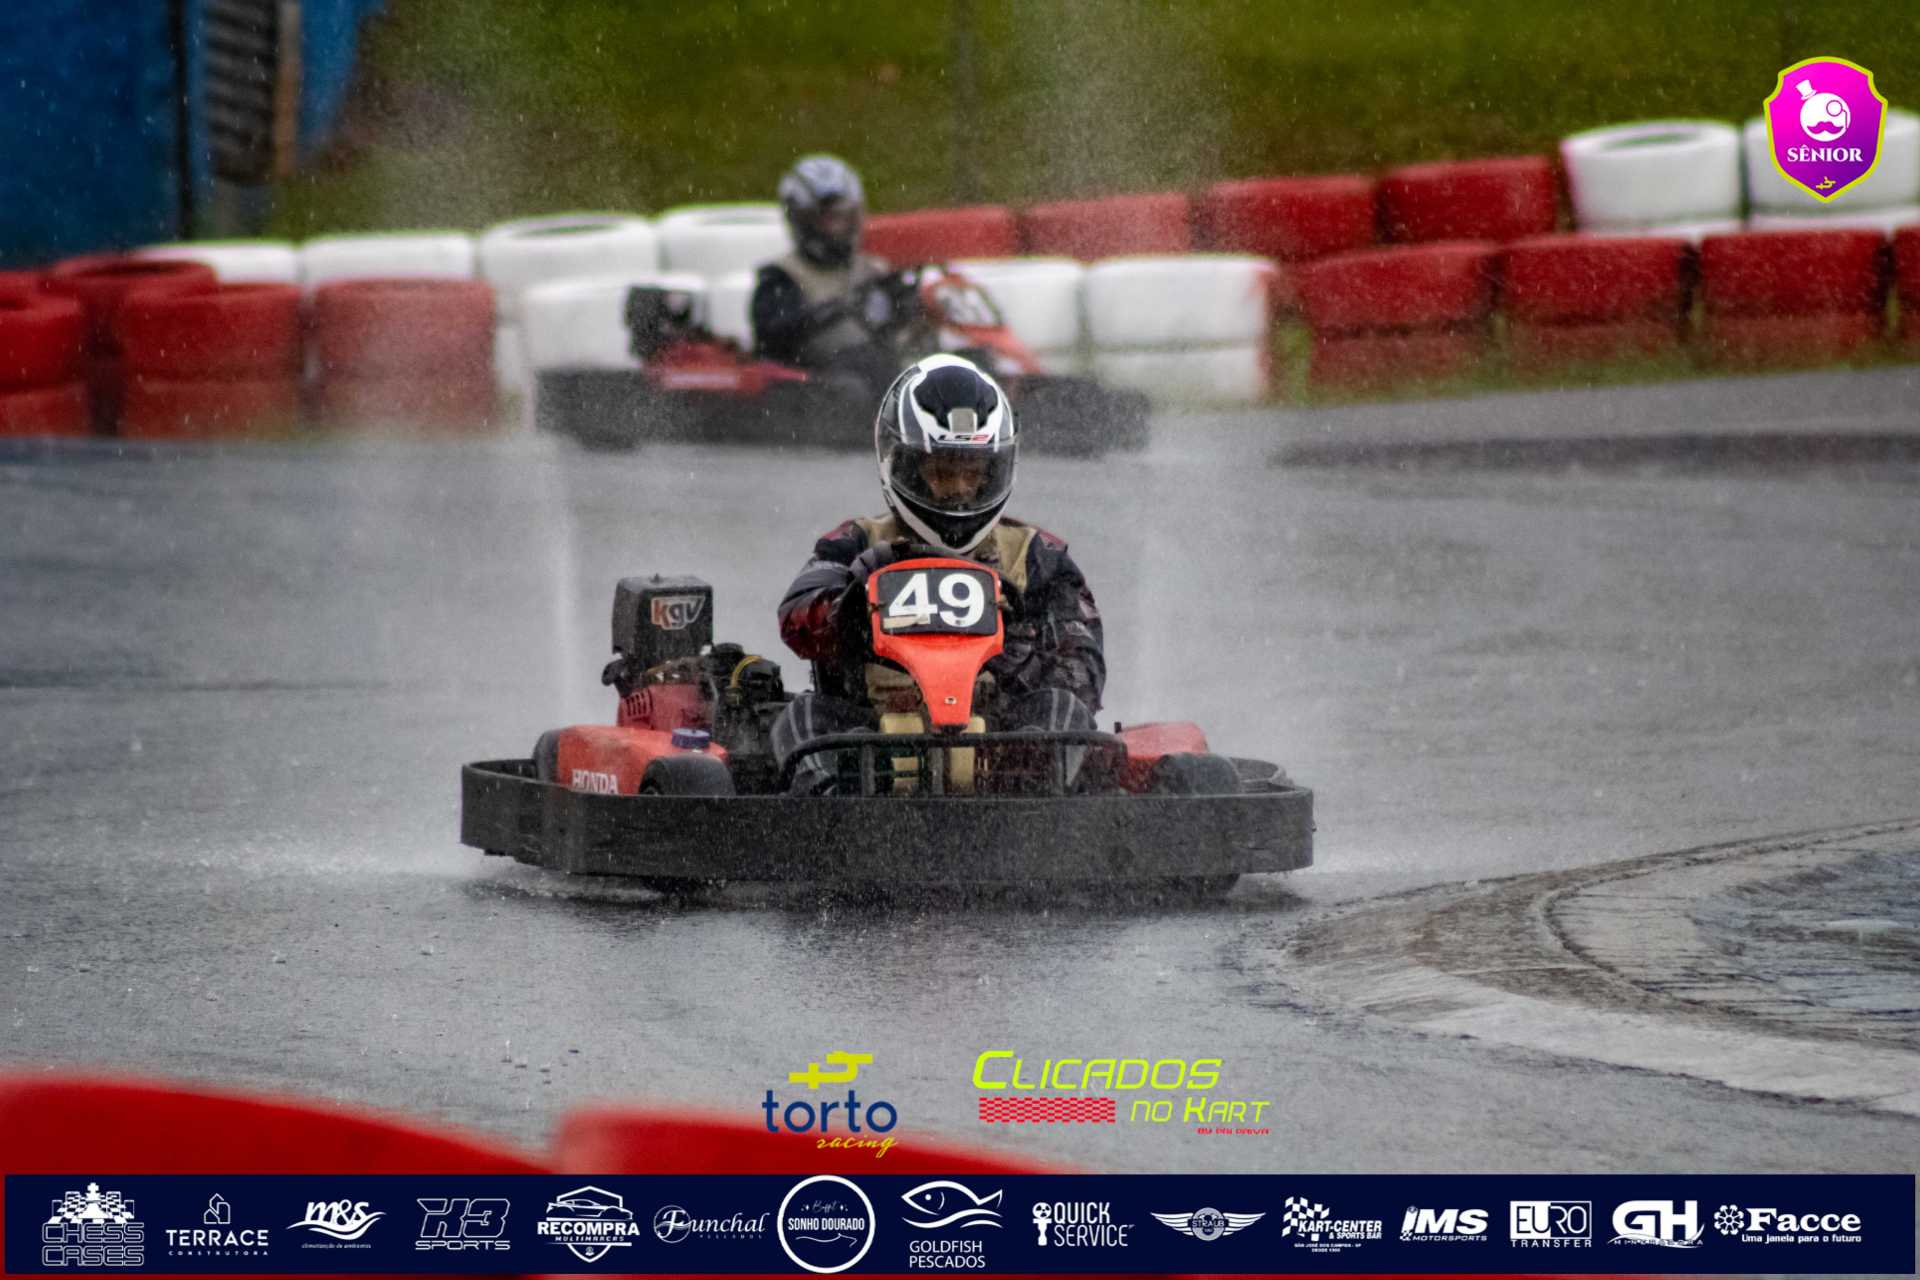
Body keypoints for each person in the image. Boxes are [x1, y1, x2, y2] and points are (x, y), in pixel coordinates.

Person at [770, 354, 1105, 794]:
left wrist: (1013, 654)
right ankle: (831, 818)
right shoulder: (855, 544)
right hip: (871, 741)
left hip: (1001, 750)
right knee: (800, 718)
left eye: (973, 473)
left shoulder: (1036, 557)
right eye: (943, 473)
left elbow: (1082, 671)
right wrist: (849, 610)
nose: (961, 490)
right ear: (906, 466)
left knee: (1063, 711)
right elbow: (795, 618)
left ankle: (1038, 816)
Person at [749, 154, 919, 394]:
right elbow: (774, 340)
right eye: (827, 220)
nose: (836, 229)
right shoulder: (781, 278)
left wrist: (906, 305)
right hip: (816, 386)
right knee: (860, 378)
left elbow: (903, 333)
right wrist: (833, 312)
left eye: (842, 219)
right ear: (801, 220)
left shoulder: (875, 270)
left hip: (879, 372)